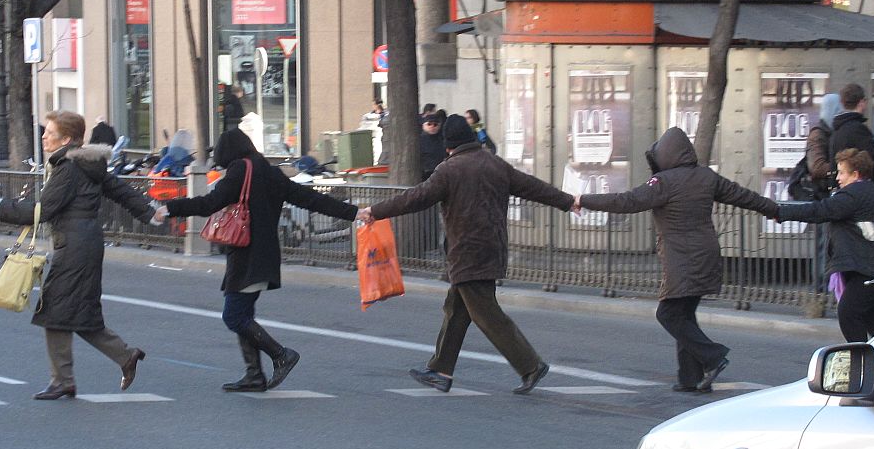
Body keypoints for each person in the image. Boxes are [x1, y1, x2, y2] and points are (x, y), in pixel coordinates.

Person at [358, 114, 575, 395]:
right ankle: (440, 371)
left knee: (486, 314)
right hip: (492, 248)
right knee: (456, 310)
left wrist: (375, 211)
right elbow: (533, 187)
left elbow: (415, 198)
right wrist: (568, 201)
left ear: (449, 145)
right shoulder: (495, 164)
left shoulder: (449, 170)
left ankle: (531, 365)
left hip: (467, 252)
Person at [576, 127, 780, 392]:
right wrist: (774, 209)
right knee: (684, 314)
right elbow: (743, 196)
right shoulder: (706, 177)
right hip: (707, 254)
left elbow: (625, 201)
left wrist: (584, 199)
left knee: (668, 314)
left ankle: (713, 356)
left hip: (681, 259)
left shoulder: (663, 183)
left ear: (665, 155)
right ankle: (690, 379)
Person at [164, 128, 358, 391]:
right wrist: (353, 213)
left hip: (247, 255)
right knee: (244, 313)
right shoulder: (268, 170)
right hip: (264, 254)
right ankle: (254, 374)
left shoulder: (240, 171)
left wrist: (170, 208)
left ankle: (281, 355)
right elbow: (308, 198)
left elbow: (209, 204)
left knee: (233, 316)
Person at [0, 110, 157, 399]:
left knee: (55, 311)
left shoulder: (68, 168)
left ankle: (65, 380)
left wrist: (2, 208)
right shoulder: (86, 162)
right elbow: (119, 190)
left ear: (66, 139)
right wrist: (150, 212)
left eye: (49, 132)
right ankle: (120, 358)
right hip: (82, 244)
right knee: (73, 312)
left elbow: (45, 209)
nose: (43, 136)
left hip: (75, 247)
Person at [774, 149, 874, 342]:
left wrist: (781, 213)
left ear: (855, 174)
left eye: (842, 173)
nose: (838, 178)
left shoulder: (852, 195)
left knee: (848, 313)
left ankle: (862, 360)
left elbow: (820, 211)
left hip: (866, 268)